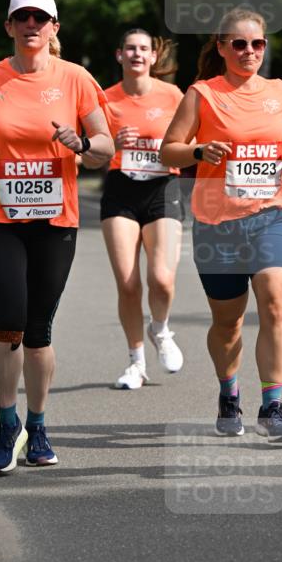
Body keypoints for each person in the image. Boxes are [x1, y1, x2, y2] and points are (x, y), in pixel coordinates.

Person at [0, 0, 114, 474]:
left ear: (53, 27)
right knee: (9, 322)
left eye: (39, 18)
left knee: (39, 330)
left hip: (55, 220)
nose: (30, 25)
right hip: (0, 219)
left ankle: (37, 425)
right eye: (22, 17)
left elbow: (105, 149)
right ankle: (7, 425)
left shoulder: (75, 78)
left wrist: (80, 143)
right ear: (9, 26)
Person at [160, 7, 282, 442]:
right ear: (221, 48)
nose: (249, 51)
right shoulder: (202, 94)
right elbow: (169, 149)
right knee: (228, 323)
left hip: (272, 212)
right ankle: (229, 393)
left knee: (275, 301)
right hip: (216, 221)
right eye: (239, 43)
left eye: (257, 43)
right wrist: (199, 151)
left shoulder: (279, 90)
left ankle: (273, 407)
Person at [101, 28, 185, 389]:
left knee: (162, 279)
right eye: (130, 49)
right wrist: (112, 143)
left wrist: (172, 147)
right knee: (128, 283)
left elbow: (190, 142)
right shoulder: (106, 99)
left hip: (163, 187)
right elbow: (90, 156)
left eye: (143, 49)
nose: (137, 54)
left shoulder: (173, 96)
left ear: (153, 56)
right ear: (119, 55)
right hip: (121, 188)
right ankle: (136, 362)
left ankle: (161, 330)